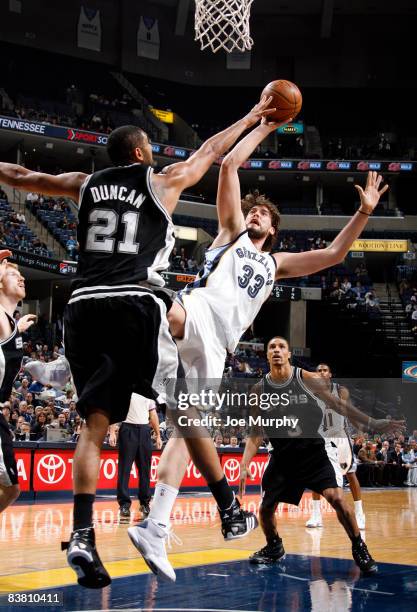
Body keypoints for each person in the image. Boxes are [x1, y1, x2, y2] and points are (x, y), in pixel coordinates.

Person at [0, 99, 276, 588]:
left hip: (81, 306)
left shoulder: (84, 184)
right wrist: (254, 115)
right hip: (135, 304)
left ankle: (82, 534)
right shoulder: (160, 180)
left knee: (92, 426)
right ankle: (229, 507)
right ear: (142, 151)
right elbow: (213, 151)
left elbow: (20, 175)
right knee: (188, 410)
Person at [129, 116, 394, 581]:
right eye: (252, 211)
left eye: (262, 215)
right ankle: (134, 299)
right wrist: (265, 121)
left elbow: (333, 255)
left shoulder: (277, 264)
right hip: (197, 313)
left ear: (273, 228)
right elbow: (230, 163)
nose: (254, 215)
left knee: (186, 434)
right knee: (164, 308)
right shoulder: (230, 233)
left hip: (220, 346)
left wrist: (365, 212)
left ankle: (156, 524)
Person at [239, 337, 403, 575]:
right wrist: (245, 463)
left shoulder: (307, 378)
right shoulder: (258, 390)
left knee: (337, 498)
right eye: (271, 347)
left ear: (288, 354)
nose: (276, 350)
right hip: (283, 456)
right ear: (266, 356)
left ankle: (359, 547)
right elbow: (255, 433)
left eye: (281, 347)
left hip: (313, 451)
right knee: (265, 509)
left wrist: (371, 421)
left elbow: (338, 405)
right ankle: (274, 546)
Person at [305, 363, 366, 530]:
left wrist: (359, 429)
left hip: (340, 436)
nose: (322, 372)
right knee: (316, 475)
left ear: (330, 374)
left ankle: (360, 513)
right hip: (321, 437)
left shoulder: (340, 390)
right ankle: (316, 515)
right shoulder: (310, 392)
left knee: (350, 475)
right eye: (319, 370)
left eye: (325, 370)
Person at [0, 258, 36, 515]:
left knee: (11, 489)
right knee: (11, 489)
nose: (21, 278)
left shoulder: (11, 323)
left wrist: (18, 331)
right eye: (13, 275)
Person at [108, 393, 162, 519]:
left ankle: (144, 503)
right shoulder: (125, 389)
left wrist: (158, 435)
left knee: (145, 470)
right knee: (124, 469)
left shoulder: (147, 391)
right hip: (128, 429)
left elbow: (153, 414)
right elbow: (115, 411)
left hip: (144, 431)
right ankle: (124, 504)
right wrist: (112, 432)